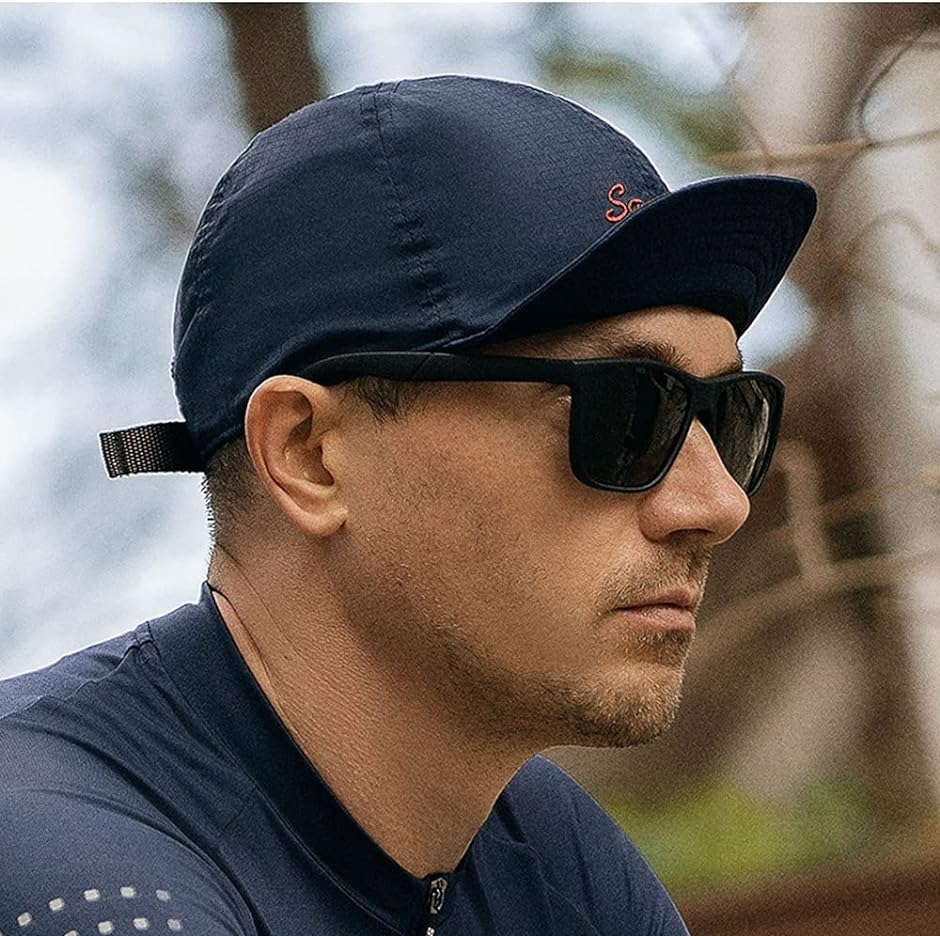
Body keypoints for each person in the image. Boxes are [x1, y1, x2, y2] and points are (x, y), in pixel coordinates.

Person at [0, 76, 815, 935]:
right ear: (309, 455)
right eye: (628, 412)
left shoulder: (559, 866)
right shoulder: (71, 873)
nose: (718, 503)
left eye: (729, 414)